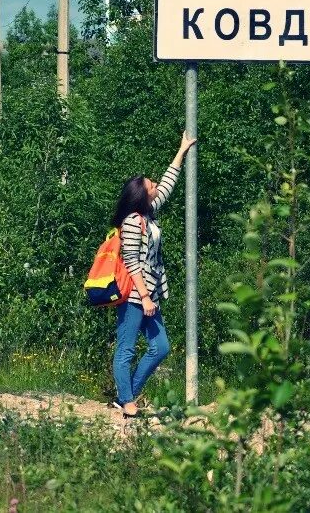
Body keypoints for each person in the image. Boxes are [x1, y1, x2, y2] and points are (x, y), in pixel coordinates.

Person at [111, 131, 197, 417]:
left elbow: (169, 184)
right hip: (136, 296)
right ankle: (127, 401)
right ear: (142, 193)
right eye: (151, 185)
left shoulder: (148, 214)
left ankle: (127, 396)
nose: (156, 185)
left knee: (160, 347)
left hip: (150, 295)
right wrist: (145, 297)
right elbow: (131, 261)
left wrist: (181, 151)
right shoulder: (133, 222)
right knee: (126, 350)